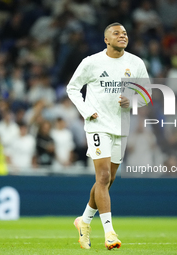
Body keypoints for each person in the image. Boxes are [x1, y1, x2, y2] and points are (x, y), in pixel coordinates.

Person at [67, 22, 150, 250]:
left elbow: (147, 94)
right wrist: (87, 111)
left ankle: (83, 221)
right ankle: (110, 233)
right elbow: (72, 88)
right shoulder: (92, 62)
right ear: (106, 40)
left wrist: (132, 100)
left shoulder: (135, 63)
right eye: (117, 33)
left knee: (108, 180)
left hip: (121, 127)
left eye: (125, 33)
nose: (122, 36)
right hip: (97, 125)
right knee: (102, 177)